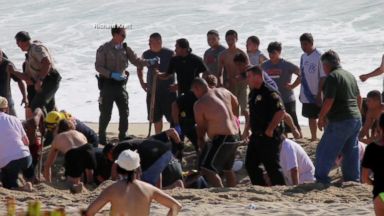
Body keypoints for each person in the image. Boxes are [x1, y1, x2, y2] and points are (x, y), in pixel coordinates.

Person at [95, 25, 159, 144]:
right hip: (108, 85)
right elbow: (98, 67)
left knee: (124, 111)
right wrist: (111, 74)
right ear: (115, 35)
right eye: (123, 35)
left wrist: (149, 62)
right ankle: (102, 136)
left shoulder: (125, 48)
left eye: (125, 35)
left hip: (121, 85)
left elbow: (137, 61)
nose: (125, 37)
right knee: (105, 113)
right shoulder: (104, 49)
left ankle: (123, 135)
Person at [84, 149, 182, 216]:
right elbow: (176, 206)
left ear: (118, 168)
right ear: (137, 168)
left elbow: (89, 213)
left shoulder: (112, 189)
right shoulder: (149, 188)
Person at [316, 50, 362, 184]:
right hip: (355, 118)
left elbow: (329, 100)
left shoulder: (332, 77)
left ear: (326, 65)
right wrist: (356, 114)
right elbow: (359, 98)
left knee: (324, 150)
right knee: (350, 151)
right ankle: (352, 179)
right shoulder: (349, 75)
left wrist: (321, 117)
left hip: (341, 120)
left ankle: (322, 179)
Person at [232, 52, 301, 139]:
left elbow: (251, 79)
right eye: (236, 65)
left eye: (239, 65)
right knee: (265, 112)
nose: (237, 67)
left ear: (245, 62)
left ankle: (293, 128)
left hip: (270, 89)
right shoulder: (247, 71)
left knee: (280, 111)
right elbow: (242, 79)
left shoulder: (250, 69)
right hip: (261, 91)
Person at [192, 78, 240, 187]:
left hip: (222, 138)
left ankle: (220, 192)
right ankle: (232, 190)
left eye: (194, 92)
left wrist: (201, 141)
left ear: (197, 88)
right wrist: (233, 117)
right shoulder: (223, 91)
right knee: (228, 168)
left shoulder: (200, 103)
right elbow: (236, 101)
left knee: (208, 169)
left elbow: (200, 127)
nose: (195, 95)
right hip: (235, 136)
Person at [245, 65, 286, 186]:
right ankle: (261, 188)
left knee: (272, 166)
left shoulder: (270, 91)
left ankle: (280, 189)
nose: (247, 79)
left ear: (258, 76)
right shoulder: (253, 93)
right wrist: (246, 129)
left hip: (269, 136)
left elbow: (281, 111)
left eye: (249, 76)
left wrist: (270, 129)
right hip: (256, 135)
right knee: (250, 164)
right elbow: (252, 113)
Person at [105, 129, 183, 186]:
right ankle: (171, 186)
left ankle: (162, 189)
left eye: (109, 158)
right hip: (172, 160)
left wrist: (112, 182)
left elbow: (116, 165)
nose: (111, 160)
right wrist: (179, 148)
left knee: (143, 185)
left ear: (110, 152)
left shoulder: (118, 149)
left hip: (159, 163)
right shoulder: (146, 141)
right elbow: (172, 131)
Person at [137, 33, 176, 134]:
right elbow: (139, 67)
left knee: (173, 118)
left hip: (169, 91)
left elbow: (178, 68)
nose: (156, 44)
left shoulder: (170, 53)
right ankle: (158, 137)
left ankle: (177, 137)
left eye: (158, 41)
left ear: (161, 41)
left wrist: (177, 85)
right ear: (149, 43)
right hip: (153, 92)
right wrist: (142, 82)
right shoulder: (146, 54)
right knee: (156, 118)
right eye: (153, 42)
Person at [43, 119, 96, 193]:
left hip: (73, 152)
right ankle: (89, 184)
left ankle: (76, 186)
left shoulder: (57, 138)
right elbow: (83, 154)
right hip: (88, 148)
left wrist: (48, 182)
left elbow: (48, 164)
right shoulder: (78, 133)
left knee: (71, 183)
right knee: (88, 170)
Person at [262, 41, 302, 138]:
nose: (271, 55)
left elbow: (301, 74)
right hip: (273, 99)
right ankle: (285, 140)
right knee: (279, 124)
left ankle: (300, 138)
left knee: (293, 123)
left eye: (273, 53)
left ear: (279, 52)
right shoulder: (264, 65)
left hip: (287, 98)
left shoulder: (287, 64)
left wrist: (292, 85)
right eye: (269, 53)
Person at [15, 31, 62, 113]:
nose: (18, 46)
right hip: (46, 80)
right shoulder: (30, 51)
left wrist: (40, 80)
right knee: (49, 106)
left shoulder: (36, 48)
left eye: (18, 43)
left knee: (36, 105)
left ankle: (43, 124)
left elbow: (47, 62)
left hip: (50, 79)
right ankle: (53, 124)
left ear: (22, 41)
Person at [218, 30, 249, 135]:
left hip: (243, 85)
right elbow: (220, 73)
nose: (230, 41)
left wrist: (239, 77)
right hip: (230, 85)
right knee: (233, 110)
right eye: (228, 39)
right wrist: (221, 84)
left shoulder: (242, 53)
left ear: (236, 39)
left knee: (245, 109)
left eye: (232, 38)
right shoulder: (222, 55)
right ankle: (237, 131)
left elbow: (248, 70)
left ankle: (247, 131)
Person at [0, 96, 33, 191]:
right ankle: (31, 180)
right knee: (25, 165)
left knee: (8, 186)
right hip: (26, 157)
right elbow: (26, 141)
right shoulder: (15, 119)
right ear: (6, 108)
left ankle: (22, 188)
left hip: (9, 161)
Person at [299, 33, 326, 141]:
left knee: (324, 117)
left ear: (311, 43)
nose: (303, 47)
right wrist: (294, 87)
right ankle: (314, 138)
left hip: (320, 93)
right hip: (307, 93)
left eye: (305, 44)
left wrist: (319, 94)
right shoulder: (303, 56)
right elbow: (302, 75)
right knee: (311, 117)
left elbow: (323, 77)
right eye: (301, 44)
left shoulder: (320, 55)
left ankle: (326, 138)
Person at [361, 113, 384, 216]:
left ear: (379, 126)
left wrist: (375, 183)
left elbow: (364, 178)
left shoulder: (371, 148)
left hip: (381, 193)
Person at [0, 49, 28, 116]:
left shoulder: (8, 65)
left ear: (1, 56)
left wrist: (24, 97)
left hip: (6, 99)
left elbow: (19, 80)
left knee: (13, 122)